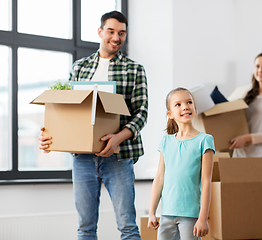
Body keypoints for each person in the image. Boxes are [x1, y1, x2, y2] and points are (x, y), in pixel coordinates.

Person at [39, 10, 148, 240]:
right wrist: (50, 136)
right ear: (100, 32)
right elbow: (69, 110)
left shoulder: (135, 70)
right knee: (85, 228)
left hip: (118, 157)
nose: (116, 38)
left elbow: (141, 113)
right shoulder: (80, 67)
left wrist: (118, 137)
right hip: (83, 159)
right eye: (111, 31)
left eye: (122, 33)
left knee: (128, 227)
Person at [147, 87, 215, 240]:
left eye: (189, 102)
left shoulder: (205, 140)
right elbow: (159, 178)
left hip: (190, 215)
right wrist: (152, 211)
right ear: (170, 114)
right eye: (178, 104)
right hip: (166, 214)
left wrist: (203, 218)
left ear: (195, 109)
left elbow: (206, 182)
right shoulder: (165, 141)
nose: (185, 107)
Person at [230, 52, 262, 158]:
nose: (260, 70)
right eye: (257, 66)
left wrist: (246, 138)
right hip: (241, 155)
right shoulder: (246, 94)